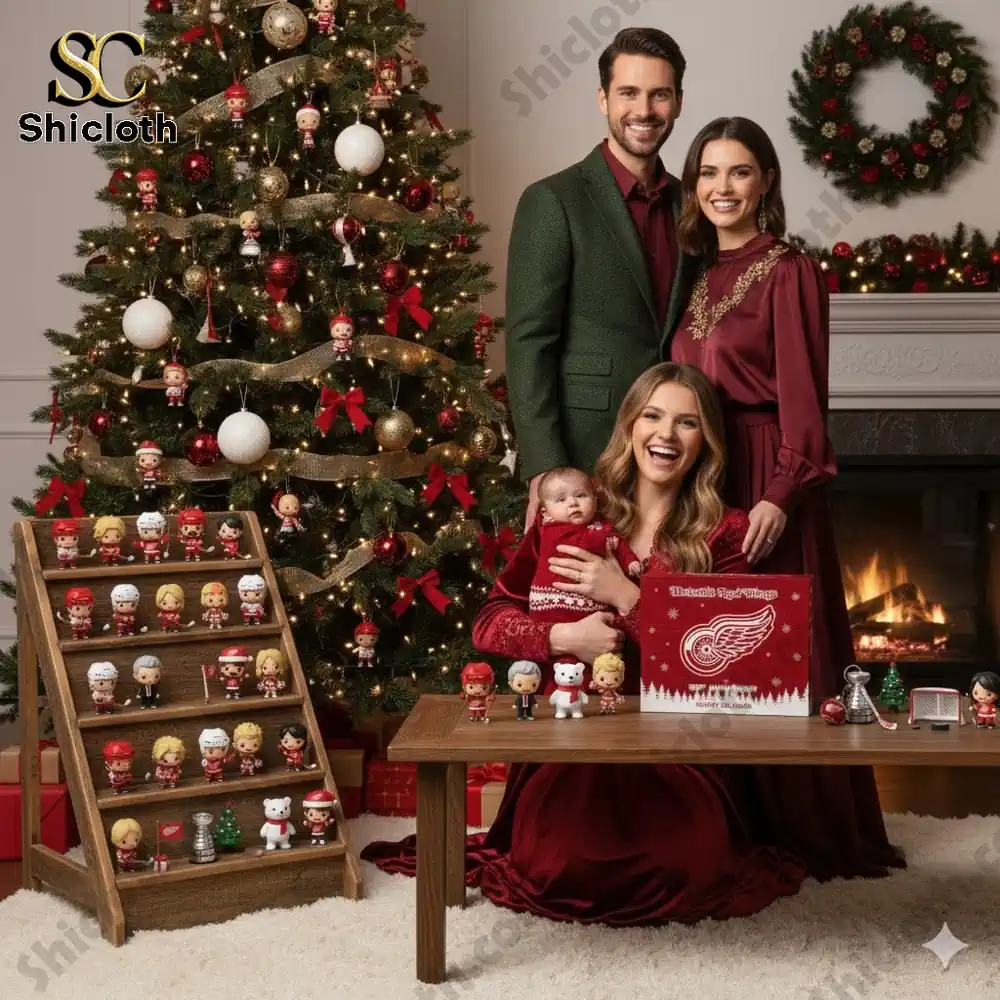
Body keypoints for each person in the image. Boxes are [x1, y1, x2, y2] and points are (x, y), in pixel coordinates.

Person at [362, 363, 811, 926]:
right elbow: (491, 619)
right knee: (563, 865)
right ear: (629, 425)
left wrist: (628, 597)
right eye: (652, 415)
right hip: (573, 737)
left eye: (687, 423)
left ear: (707, 442)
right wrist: (560, 636)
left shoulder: (724, 532)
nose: (666, 435)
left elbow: (736, 666)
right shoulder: (572, 508)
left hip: (677, 741)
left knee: (685, 866)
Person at [669, 116, 906, 880]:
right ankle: (730, 825)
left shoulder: (790, 270)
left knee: (781, 655)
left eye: (739, 172)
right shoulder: (693, 274)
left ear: (766, 182)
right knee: (716, 656)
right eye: (708, 172)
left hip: (770, 474)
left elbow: (807, 402)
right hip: (706, 480)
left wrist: (780, 493)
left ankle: (807, 828)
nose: (722, 188)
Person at [504, 27, 701, 528]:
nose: (645, 109)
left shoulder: (692, 205)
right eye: (629, 93)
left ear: (678, 103)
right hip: (586, 452)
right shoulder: (553, 200)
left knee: (662, 603)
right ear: (603, 99)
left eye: (660, 94)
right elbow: (529, 342)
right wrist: (547, 468)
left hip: (674, 460)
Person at [527, 466, 642, 632]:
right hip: (555, 608)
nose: (573, 503)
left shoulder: (602, 525)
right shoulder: (552, 530)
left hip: (594, 611)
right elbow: (581, 543)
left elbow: (619, 545)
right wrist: (605, 538)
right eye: (561, 500)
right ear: (546, 513)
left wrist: (630, 561)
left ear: (595, 500)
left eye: (580, 495)